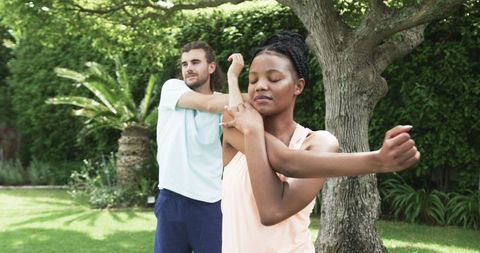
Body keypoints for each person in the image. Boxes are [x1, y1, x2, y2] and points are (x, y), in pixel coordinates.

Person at [220, 31, 420, 252]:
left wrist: (255, 131)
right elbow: (280, 159)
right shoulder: (235, 127)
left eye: (274, 78)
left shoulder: (318, 142)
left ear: (298, 86)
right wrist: (377, 161)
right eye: (253, 79)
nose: (260, 86)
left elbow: (273, 208)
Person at [154, 41, 245, 253]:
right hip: (171, 200)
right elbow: (209, 104)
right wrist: (248, 92)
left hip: (210, 204)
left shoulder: (224, 103)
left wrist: (233, 78)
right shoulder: (172, 89)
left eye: (195, 62)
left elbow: (238, 108)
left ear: (211, 67)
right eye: (184, 64)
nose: (189, 68)